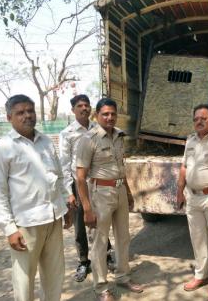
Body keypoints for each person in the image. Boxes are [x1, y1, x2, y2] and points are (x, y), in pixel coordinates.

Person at [0, 94, 71, 301]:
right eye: (20, 112)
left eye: (30, 111)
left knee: (54, 275)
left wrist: (66, 205)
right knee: (24, 279)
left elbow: (58, 177)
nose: (27, 116)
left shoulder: (45, 142)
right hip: (26, 225)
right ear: (9, 118)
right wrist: (9, 229)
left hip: (53, 219)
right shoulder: (2, 148)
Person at [76, 98, 143, 301]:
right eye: (105, 114)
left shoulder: (119, 136)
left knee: (123, 237)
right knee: (100, 242)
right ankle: (101, 287)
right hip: (100, 194)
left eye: (113, 113)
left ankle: (123, 276)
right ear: (96, 116)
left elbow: (121, 168)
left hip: (120, 191)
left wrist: (129, 193)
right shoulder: (89, 139)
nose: (110, 117)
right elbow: (80, 177)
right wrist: (87, 208)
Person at [59, 94, 115, 282]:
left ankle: (106, 256)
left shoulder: (98, 129)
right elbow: (65, 164)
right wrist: (69, 193)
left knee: (101, 220)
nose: (84, 108)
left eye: (87, 105)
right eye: (80, 106)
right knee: (81, 224)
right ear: (73, 110)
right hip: (78, 184)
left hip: (97, 183)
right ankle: (84, 262)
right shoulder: (67, 134)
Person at [176, 104, 208, 300]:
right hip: (192, 197)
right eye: (196, 118)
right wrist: (180, 191)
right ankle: (200, 275)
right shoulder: (190, 140)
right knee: (197, 239)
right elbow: (183, 167)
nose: (199, 121)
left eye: (204, 118)